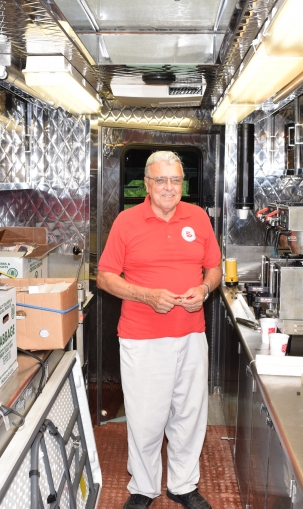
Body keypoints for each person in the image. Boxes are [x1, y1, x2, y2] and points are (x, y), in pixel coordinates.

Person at [97, 151, 223, 509]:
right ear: (147, 184)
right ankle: (144, 487)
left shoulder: (197, 217)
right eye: (161, 180)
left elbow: (214, 267)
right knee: (145, 418)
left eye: (175, 180)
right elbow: (105, 277)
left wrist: (205, 289)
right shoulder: (127, 222)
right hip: (142, 337)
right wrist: (146, 296)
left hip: (191, 334)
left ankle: (183, 485)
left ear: (183, 183)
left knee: (190, 415)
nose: (169, 187)